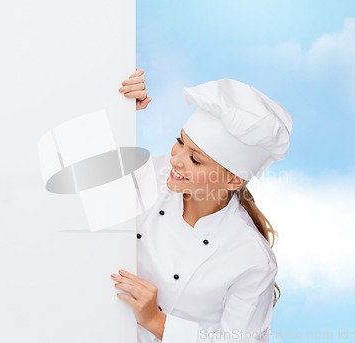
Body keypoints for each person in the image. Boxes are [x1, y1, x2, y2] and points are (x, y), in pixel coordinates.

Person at [111, 68, 293, 343]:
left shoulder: (251, 259)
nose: (175, 160)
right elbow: (85, 183)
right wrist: (119, 109)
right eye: (180, 142)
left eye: (195, 159)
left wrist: (156, 320)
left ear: (233, 179)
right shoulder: (152, 175)